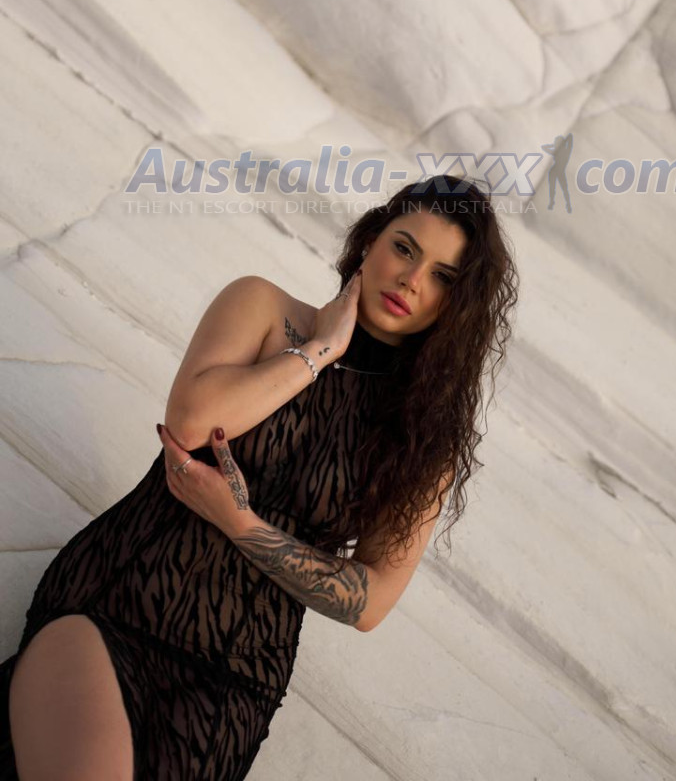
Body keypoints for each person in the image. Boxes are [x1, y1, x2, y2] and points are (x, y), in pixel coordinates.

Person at [0, 173, 519, 780]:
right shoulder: (265, 310)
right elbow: (192, 422)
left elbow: (371, 601)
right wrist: (321, 351)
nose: (412, 279)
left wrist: (239, 522)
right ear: (371, 240)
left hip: (235, 677)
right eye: (404, 248)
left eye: (443, 277)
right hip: (117, 600)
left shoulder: (424, 438)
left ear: (459, 305)